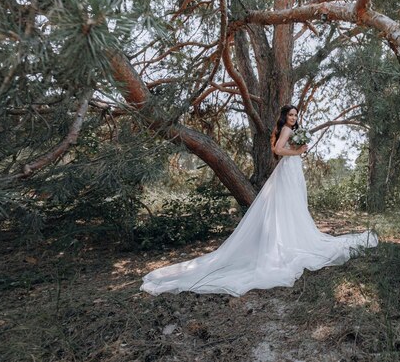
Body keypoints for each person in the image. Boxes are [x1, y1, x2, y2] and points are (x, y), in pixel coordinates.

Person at [140, 105, 378, 296]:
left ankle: (291, 240)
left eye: (296, 115)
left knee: (291, 207)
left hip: (291, 170)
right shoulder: (285, 129)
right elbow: (278, 150)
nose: (294, 118)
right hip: (288, 168)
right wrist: (297, 151)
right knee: (288, 206)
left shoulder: (289, 129)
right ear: (284, 117)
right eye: (291, 114)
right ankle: (290, 244)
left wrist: (297, 150)